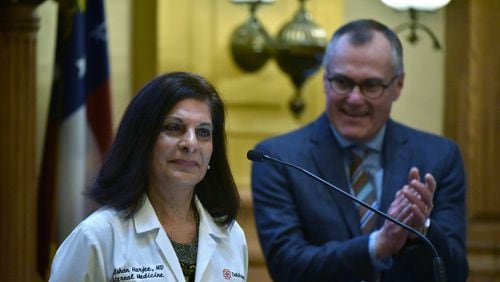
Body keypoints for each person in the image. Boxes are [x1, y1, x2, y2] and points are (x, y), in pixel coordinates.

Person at [250, 19, 468, 282]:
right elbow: (288, 267)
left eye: (371, 86)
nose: (354, 99)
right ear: (325, 80)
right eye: (342, 82)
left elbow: (454, 274)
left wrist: (421, 229)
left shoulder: (438, 157)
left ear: (397, 85)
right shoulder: (278, 159)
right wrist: (379, 245)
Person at [50, 72, 248, 282]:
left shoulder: (232, 237)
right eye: (174, 128)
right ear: (142, 140)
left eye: (203, 132)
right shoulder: (97, 237)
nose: (191, 143)